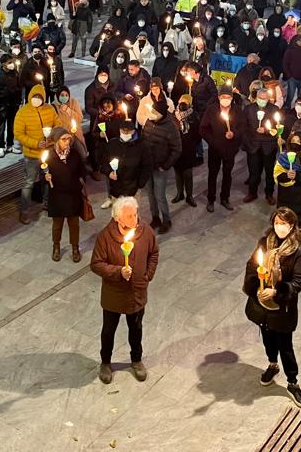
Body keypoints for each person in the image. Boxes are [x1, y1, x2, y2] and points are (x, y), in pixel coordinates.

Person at [243, 207, 301, 409]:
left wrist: (276, 291)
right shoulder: (265, 243)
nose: (280, 227)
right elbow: (252, 267)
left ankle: (292, 381)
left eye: (285, 224)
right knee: (268, 338)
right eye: (277, 223)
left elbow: (297, 282)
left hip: (282, 309)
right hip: (263, 306)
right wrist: (257, 288)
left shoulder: (298, 251)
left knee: (285, 346)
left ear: (292, 226)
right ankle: (272, 365)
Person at [90, 196, 159, 384]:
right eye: (129, 216)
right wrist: (118, 271)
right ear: (117, 218)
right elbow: (96, 264)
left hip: (137, 291)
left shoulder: (145, 232)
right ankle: (105, 362)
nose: (134, 219)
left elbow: (154, 253)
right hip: (114, 294)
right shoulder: (105, 236)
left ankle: (136, 360)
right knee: (109, 330)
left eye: (135, 214)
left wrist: (147, 275)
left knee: (136, 328)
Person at [13, 84, 58, 224]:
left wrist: (50, 138)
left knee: (47, 179)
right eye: (34, 97)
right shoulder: (23, 112)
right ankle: (24, 211)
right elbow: (18, 133)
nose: (36, 99)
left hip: (48, 152)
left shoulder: (50, 109)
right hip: (31, 154)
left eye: (39, 97)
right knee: (29, 183)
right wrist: (35, 143)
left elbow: (58, 124)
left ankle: (47, 203)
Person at [43, 127, 87, 262]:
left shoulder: (74, 154)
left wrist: (79, 184)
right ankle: (56, 246)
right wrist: (46, 177)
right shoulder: (49, 155)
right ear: (56, 141)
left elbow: (82, 171)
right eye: (63, 139)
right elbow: (42, 172)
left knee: (74, 224)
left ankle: (75, 247)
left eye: (69, 139)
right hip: (57, 195)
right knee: (57, 225)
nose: (67, 142)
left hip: (73, 195)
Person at [200, 86, 246, 212]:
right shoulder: (211, 110)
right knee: (212, 174)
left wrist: (234, 134)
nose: (225, 99)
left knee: (227, 174)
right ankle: (211, 199)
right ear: (219, 98)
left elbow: (243, 127)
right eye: (223, 97)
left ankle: (225, 198)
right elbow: (203, 128)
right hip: (215, 149)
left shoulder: (237, 110)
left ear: (232, 98)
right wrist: (213, 141)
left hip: (230, 149)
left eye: (228, 97)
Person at [139, 95, 181, 233]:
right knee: (150, 194)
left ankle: (166, 219)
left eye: (155, 113)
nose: (152, 114)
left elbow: (176, 149)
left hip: (160, 167)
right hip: (148, 166)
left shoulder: (170, 127)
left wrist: (166, 165)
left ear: (161, 114)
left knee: (160, 195)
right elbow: (143, 140)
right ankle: (155, 217)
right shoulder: (149, 123)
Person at [274, 132, 301, 245]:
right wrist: (286, 176)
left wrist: (297, 176)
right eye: (293, 141)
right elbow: (277, 175)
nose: (296, 144)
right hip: (286, 200)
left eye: (298, 142)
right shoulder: (283, 157)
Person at [243, 87, 279, 205]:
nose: (262, 100)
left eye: (264, 98)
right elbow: (244, 127)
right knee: (253, 172)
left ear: (268, 98)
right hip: (253, 145)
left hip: (269, 146)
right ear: (256, 97)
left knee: (269, 172)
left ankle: (269, 194)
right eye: (260, 98)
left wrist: (267, 131)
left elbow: (278, 128)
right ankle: (252, 193)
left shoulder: (274, 109)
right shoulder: (248, 109)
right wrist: (247, 143)